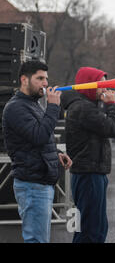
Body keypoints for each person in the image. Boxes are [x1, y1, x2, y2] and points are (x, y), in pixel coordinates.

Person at [2, 61, 72, 243]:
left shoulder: (32, 104)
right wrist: (53, 107)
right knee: (36, 240)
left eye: (46, 79)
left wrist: (56, 153)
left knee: (39, 239)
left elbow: (40, 139)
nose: (45, 84)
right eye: (40, 78)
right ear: (24, 80)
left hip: (39, 182)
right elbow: (39, 135)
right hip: (32, 184)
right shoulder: (15, 107)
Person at [61, 67, 115, 243]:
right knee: (92, 230)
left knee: (86, 227)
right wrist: (111, 105)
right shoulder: (83, 108)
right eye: (100, 84)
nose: (104, 88)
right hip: (89, 174)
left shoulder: (83, 105)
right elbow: (113, 129)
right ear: (88, 85)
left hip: (89, 173)